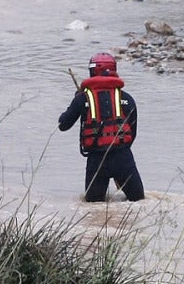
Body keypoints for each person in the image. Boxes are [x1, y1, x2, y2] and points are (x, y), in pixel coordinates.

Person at [58, 53, 144, 202]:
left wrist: (76, 100)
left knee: (93, 207)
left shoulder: (82, 99)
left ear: (93, 72)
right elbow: (133, 132)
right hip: (124, 158)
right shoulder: (127, 98)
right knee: (139, 201)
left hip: (96, 161)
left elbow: (62, 125)